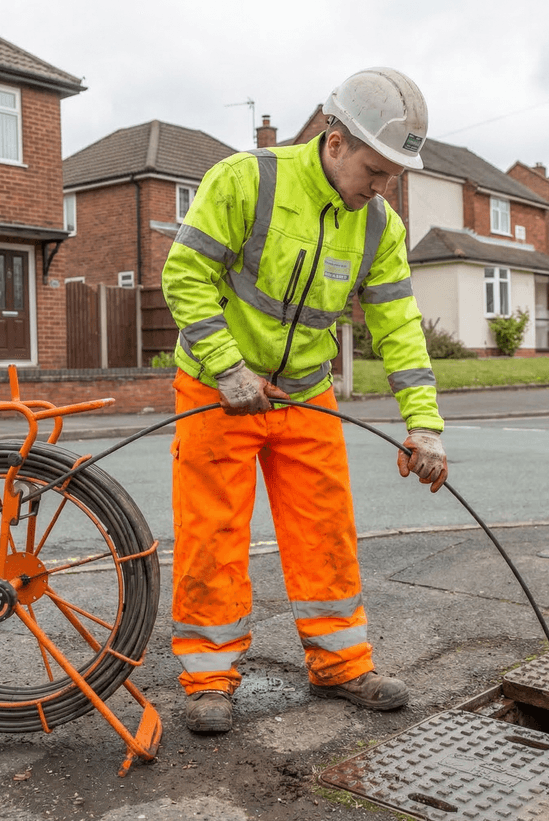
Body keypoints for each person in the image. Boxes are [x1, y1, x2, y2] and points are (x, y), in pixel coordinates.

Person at [161, 67, 447, 733]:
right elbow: (185, 273)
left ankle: (341, 665)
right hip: (216, 387)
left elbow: (400, 328)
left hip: (305, 394)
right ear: (335, 141)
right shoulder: (247, 180)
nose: (381, 190)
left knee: (325, 528)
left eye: (392, 179)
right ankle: (208, 679)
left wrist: (424, 427)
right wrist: (227, 368)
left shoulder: (379, 227)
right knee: (214, 532)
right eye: (375, 172)